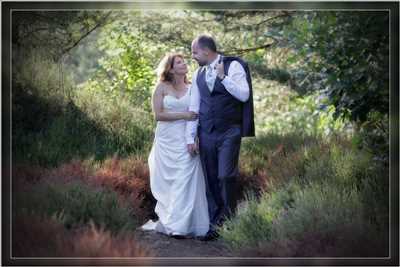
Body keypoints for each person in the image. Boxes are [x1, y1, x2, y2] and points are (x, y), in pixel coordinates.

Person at [186, 34, 255, 241]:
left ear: (206, 51)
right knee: (211, 180)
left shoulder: (234, 66)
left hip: (228, 132)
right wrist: (191, 137)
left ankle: (230, 220)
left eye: (195, 52)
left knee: (226, 176)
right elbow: (194, 107)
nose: (193, 57)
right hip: (206, 133)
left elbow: (244, 95)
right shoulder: (198, 73)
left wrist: (223, 77)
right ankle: (215, 225)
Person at [140, 53, 209, 238]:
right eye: (179, 62)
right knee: (168, 182)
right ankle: (171, 220)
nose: (184, 64)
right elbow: (158, 115)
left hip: (185, 139)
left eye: (184, 61)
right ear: (170, 68)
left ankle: (179, 226)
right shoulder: (161, 87)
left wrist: (193, 138)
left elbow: (197, 115)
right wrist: (183, 115)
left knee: (185, 178)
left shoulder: (193, 87)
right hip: (165, 139)